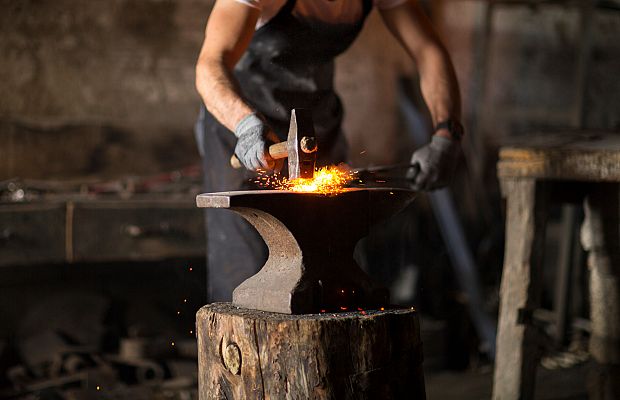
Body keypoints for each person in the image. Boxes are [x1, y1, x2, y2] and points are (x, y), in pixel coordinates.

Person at [195, 0, 463, 301]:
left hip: (316, 128)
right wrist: (243, 124)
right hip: (242, 129)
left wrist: (446, 133)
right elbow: (210, 64)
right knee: (247, 275)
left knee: (331, 268)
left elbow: (427, 50)